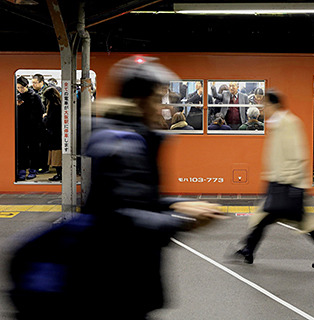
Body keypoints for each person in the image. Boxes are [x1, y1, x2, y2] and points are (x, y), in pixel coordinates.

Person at [51, 57, 223, 320]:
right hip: (115, 282)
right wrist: (182, 221)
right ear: (139, 101)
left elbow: (138, 199)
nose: (163, 109)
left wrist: (174, 204)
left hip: (126, 280)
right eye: (157, 99)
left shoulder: (133, 138)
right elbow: (117, 218)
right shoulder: (120, 144)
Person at [234, 89, 314, 269]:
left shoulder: (288, 123)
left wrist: (291, 182)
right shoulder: (275, 123)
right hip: (278, 182)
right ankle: (248, 249)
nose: (263, 107)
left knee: (302, 222)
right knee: (265, 217)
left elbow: (296, 155)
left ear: (274, 105)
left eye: (266, 104)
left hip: (288, 183)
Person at [16, 76, 44, 181]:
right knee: (21, 150)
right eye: (18, 88)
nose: (20, 90)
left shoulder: (34, 96)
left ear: (27, 86)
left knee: (34, 149)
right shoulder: (17, 97)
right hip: (21, 128)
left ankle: (33, 169)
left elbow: (40, 111)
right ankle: (22, 169)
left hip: (34, 128)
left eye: (21, 87)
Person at [42, 87, 63, 181]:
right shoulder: (60, 105)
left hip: (54, 135)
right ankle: (60, 174)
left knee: (56, 157)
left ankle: (59, 174)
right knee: (59, 155)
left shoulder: (54, 107)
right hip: (58, 135)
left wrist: (44, 118)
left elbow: (49, 122)